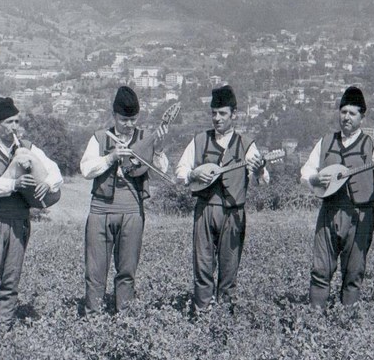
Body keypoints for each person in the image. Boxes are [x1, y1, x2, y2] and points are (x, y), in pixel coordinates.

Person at [0, 97, 63, 328]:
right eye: (9, 122)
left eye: (17, 121)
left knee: (11, 278)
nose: (14, 127)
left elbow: (55, 171)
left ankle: (4, 327)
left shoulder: (28, 147)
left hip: (19, 221)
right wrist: (13, 184)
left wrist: (47, 183)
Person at [300, 86, 374, 307]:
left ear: (362, 117)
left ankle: (347, 320)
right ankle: (315, 318)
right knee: (320, 269)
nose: (346, 117)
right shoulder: (325, 142)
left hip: (360, 215)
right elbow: (306, 172)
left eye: (352, 113)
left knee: (353, 272)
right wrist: (315, 179)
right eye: (343, 112)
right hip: (329, 212)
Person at [174, 85, 268, 312]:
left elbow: (263, 180)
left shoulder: (246, 144)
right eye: (214, 113)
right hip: (205, 210)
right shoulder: (199, 140)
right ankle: (202, 313)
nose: (217, 118)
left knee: (229, 268)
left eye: (222, 113)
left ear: (234, 114)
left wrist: (258, 170)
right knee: (202, 266)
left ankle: (223, 318)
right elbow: (180, 172)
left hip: (233, 213)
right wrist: (193, 174)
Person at [79, 86, 169, 314]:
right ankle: (93, 319)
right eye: (123, 120)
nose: (129, 124)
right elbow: (86, 169)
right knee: (95, 270)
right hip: (100, 210)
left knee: (127, 270)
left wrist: (158, 150)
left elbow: (161, 171)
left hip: (132, 210)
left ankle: (124, 319)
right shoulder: (99, 137)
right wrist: (111, 157)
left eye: (133, 119)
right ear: (114, 115)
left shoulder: (145, 138)